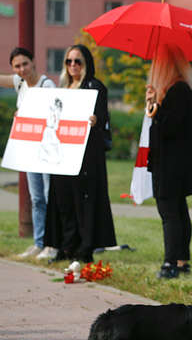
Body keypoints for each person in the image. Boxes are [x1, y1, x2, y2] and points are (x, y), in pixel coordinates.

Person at [43, 44, 116, 263]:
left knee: (83, 201)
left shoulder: (95, 87)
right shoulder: (62, 88)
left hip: (85, 156)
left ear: (86, 64)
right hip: (62, 154)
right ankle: (66, 247)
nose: (73, 65)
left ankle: (84, 249)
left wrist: (96, 120)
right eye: (69, 61)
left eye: (77, 61)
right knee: (63, 201)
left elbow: (103, 118)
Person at [145, 45, 192, 279]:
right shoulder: (178, 90)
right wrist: (154, 104)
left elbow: (168, 128)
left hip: (170, 164)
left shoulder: (178, 91)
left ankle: (171, 263)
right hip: (173, 163)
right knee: (177, 211)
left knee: (170, 213)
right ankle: (180, 260)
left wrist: (156, 108)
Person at [1, 47, 56, 260]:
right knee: (37, 198)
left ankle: (52, 244)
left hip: (48, 150)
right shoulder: (19, 83)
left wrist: (26, 114)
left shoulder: (47, 84)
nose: (22, 69)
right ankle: (39, 243)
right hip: (30, 149)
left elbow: (55, 113)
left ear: (33, 62)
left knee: (50, 196)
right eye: (17, 66)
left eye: (25, 63)